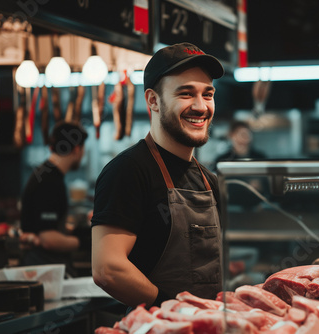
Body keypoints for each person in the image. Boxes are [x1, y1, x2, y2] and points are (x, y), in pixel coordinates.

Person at [91, 42, 224, 309]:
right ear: (153, 100)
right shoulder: (129, 170)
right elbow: (108, 268)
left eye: (207, 94)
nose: (200, 106)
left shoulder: (209, 181)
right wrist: (174, 310)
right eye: (186, 94)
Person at [20, 121, 89, 275]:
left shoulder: (47, 174)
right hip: (44, 268)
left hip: (46, 266)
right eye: (83, 149)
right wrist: (85, 242)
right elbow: (48, 239)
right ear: (77, 149)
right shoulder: (49, 182)